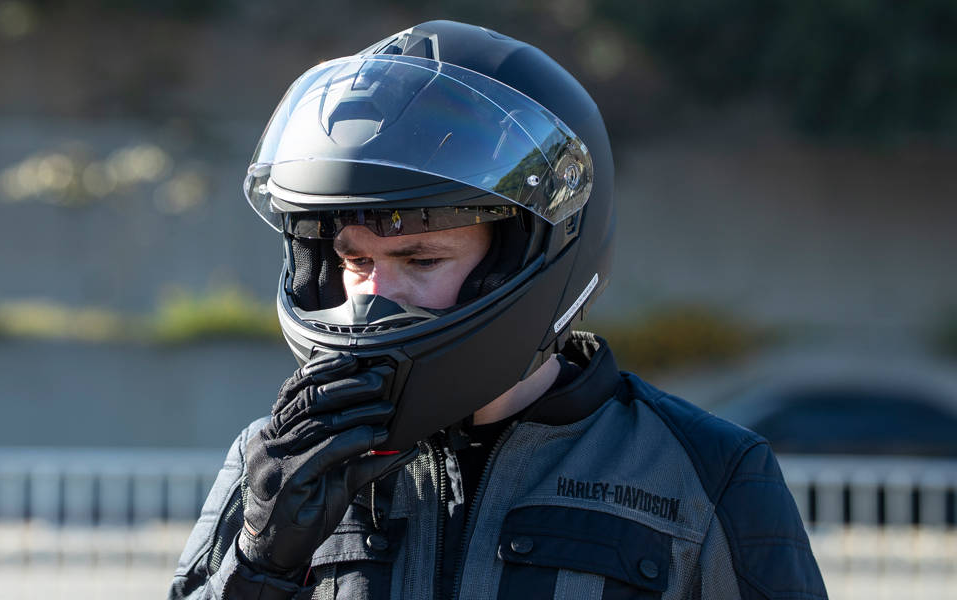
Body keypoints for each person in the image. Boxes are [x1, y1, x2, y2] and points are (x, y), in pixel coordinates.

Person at [169, 20, 827, 600]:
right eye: (356, 261)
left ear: (523, 257)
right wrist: (260, 562)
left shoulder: (703, 473)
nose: (372, 295)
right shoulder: (278, 459)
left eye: (421, 260)